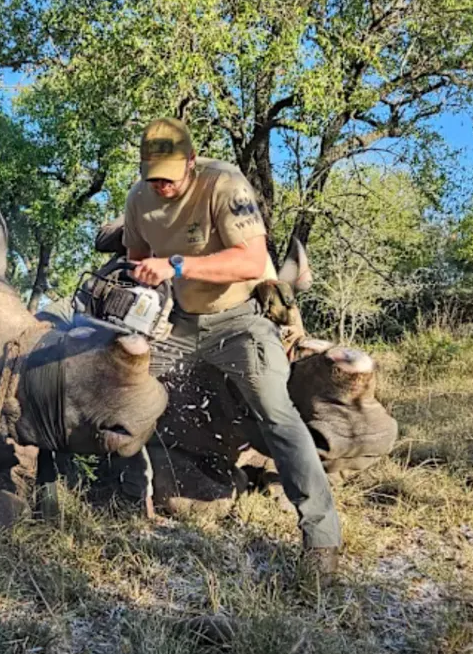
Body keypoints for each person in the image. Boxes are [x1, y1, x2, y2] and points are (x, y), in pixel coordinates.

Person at [119, 117, 342, 576]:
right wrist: (140, 279)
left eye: (170, 177)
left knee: (277, 412)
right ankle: (128, 502)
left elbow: (251, 260)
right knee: (125, 398)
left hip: (238, 319)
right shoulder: (138, 199)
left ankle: (321, 536)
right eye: (152, 176)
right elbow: (138, 259)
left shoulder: (225, 184)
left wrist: (175, 265)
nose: (160, 186)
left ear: (192, 163)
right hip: (177, 322)